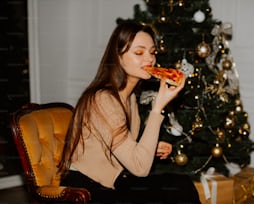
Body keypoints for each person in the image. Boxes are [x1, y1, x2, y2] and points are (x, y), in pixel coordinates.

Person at [58, 21, 200, 204]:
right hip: (85, 187)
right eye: (139, 53)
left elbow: (126, 147)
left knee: (181, 184)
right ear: (118, 57)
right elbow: (139, 168)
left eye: (152, 52)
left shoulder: (129, 97)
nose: (150, 59)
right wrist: (158, 107)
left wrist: (149, 149)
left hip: (112, 178)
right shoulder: (102, 99)